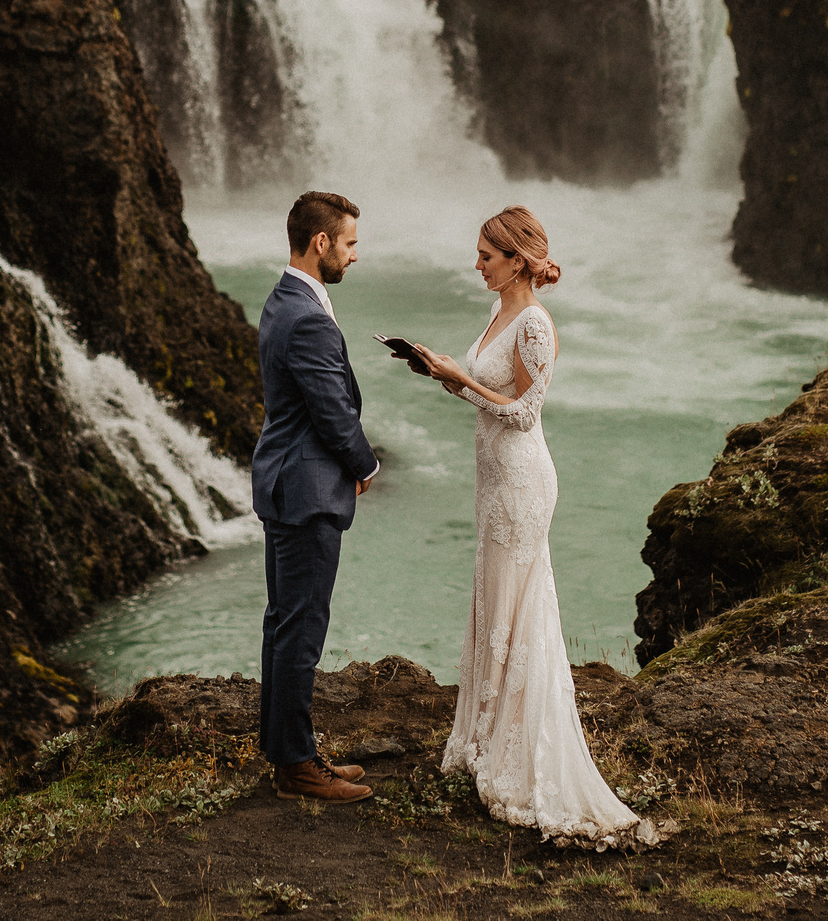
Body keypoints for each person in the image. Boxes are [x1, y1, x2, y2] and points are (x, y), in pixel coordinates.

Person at [409, 205, 659, 848]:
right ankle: (488, 737)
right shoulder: (498, 311)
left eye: (487, 256)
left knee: (520, 612)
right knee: (494, 604)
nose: (477, 263)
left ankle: (519, 753)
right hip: (493, 481)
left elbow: (523, 413)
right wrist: (448, 376)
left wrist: (459, 378)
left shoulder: (536, 325)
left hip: (522, 483)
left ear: (516, 260)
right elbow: (486, 396)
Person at [251, 189, 379, 803]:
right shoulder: (307, 317)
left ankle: (286, 751)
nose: (356, 255)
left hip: (282, 480)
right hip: (306, 490)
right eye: (350, 243)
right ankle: (298, 767)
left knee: (284, 622)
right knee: (302, 627)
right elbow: (332, 411)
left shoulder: (283, 301)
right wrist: (365, 464)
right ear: (321, 242)